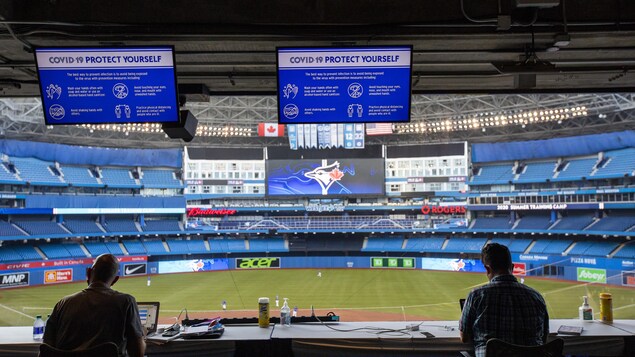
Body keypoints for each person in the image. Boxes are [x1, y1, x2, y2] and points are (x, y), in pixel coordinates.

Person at [44, 254, 145, 357]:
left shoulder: (62, 304)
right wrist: (141, 334)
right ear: (115, 280)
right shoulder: (127, 302)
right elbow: (138, 353)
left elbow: (46, 349)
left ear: (88, 273)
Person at [459, 243, 548, 357]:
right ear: (512, 267)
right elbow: (544, 337)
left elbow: (464, 337)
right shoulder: (536, 296)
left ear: (487, 269)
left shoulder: (477, 295)